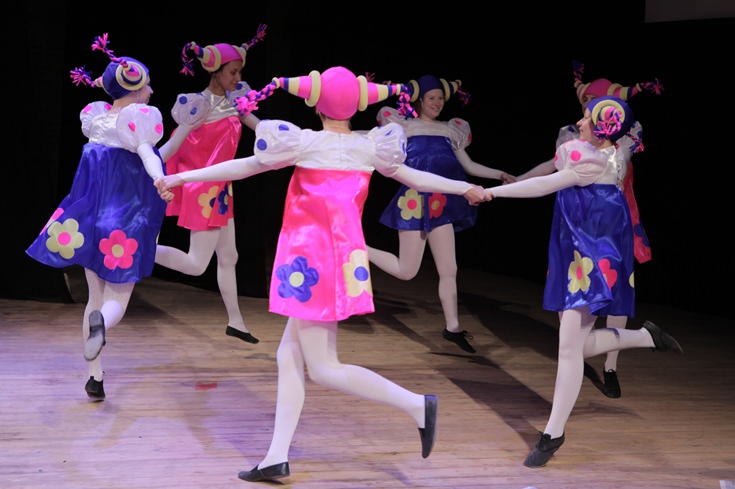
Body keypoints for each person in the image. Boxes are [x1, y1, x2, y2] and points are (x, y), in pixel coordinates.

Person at [155, 66, 485, 482]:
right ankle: (276, 457)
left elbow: (241, 167)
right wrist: (462, 188)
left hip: (311, 265)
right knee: (288, 356)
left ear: (316, 104)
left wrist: (181, 176)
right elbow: (416, 178)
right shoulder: (369, 147)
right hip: (335, 262)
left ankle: (417, 405)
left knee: (324, 367)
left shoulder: (305, 142)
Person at [482, 95, 683, 467]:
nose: (580, 122)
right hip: (578, 252)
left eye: (588, 118)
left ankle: (552, 434)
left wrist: (492, 192)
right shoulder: (605, 153)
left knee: (569, 349)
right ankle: (645, 337)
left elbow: (544, 186)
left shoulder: (592, 161)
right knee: (575, 345)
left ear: (604, 130)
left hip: (594, 258)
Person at [25, 34, 201, 400]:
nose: (151, 91)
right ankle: (101, 324)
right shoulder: (136, 122)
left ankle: (95, 377)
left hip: (91, 222)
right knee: (115, 303)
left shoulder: (96, 121)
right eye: (147, 85)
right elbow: (150, 155)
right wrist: (161, 180)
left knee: (94, 298)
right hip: (124, 226)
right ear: (134, 91)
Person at [514, 62, 663, 397]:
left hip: (613, 219)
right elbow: (554, 170)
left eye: (595, 102)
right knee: (577, 303)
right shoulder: (572, 135)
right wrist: (521, 179)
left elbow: (611, 162)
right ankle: (608, 347)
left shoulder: (619, 141)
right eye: (586, 101)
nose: (587, 108)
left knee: (614, 292)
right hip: (578, 220)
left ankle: (611, 366)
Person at [367, 75, 516, 354]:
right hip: (412, 204)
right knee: (407, 271)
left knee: (449, 270)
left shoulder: (450, 130)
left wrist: (499, 174)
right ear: (420, 100)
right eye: (432, 98)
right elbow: (374, 147)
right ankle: (359, 249)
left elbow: (469, 166)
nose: (437, 103)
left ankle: (453, 328)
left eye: (440, 99)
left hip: (440, 206)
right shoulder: (404, 127)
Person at [154, 25, 267, 345]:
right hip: (203, 189)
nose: (237, 77)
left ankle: (236, 322)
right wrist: (147, 165)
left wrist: (286, 139)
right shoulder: (197, 105)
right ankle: (143, 250)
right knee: (196, 265)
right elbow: (173, 146)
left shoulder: (236, 101)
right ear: (215, 71)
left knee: (229, 256)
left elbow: (261, 127)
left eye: (239, 72)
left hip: (221, 189)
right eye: (232, 72)